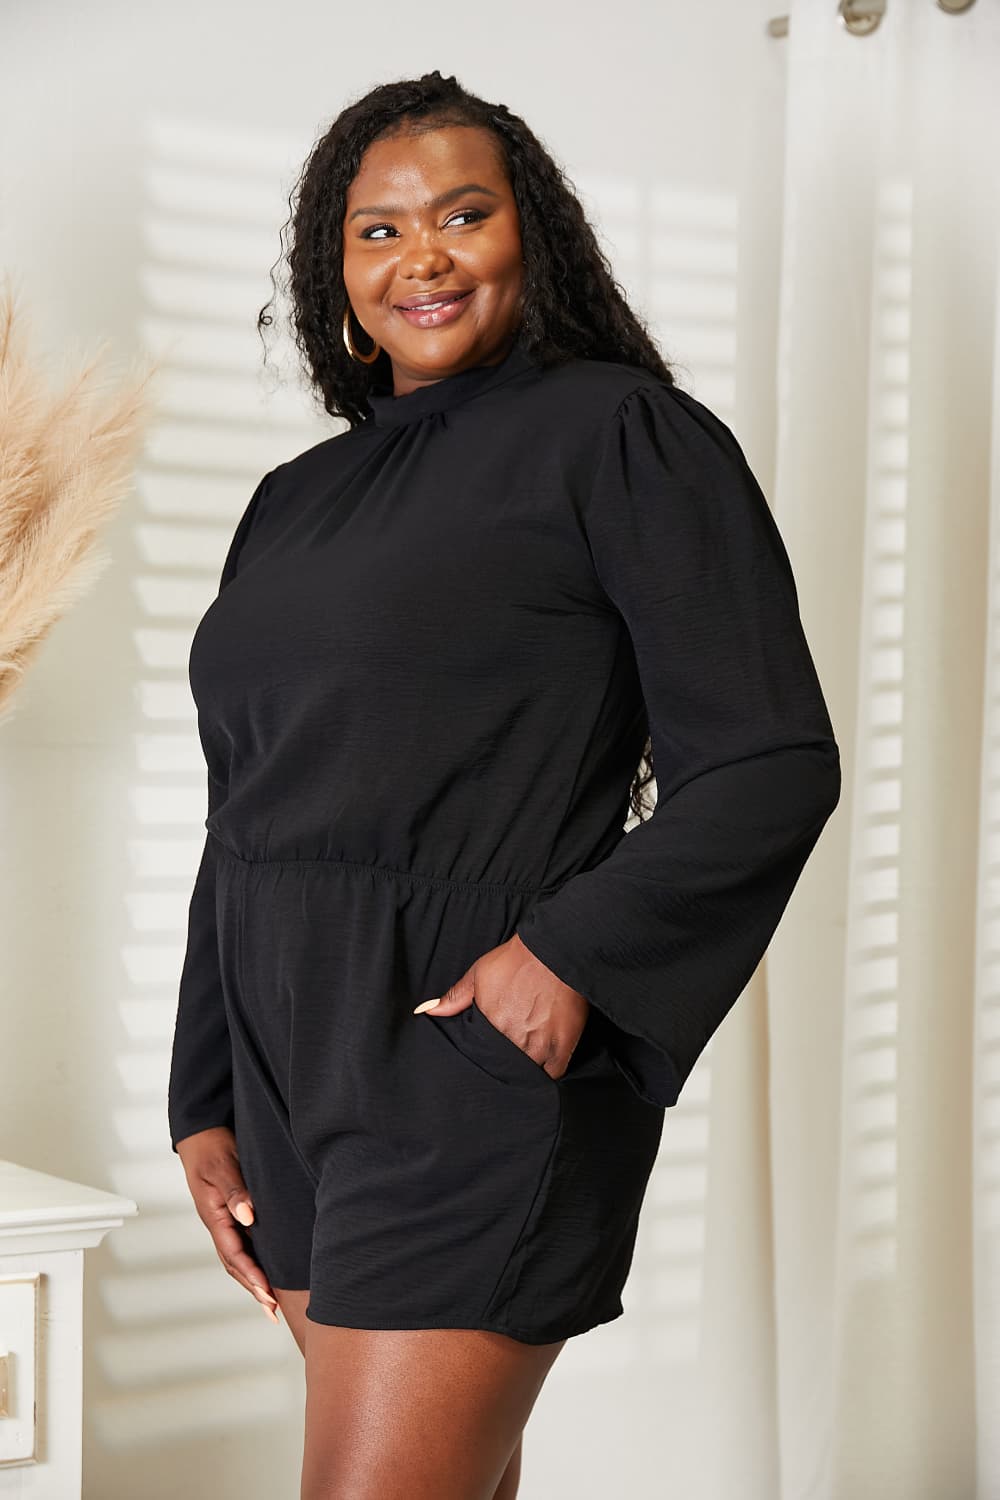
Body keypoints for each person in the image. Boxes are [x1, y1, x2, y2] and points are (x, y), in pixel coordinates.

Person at [167, 70, 841, 1500]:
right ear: (337, 272)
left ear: (533, 235)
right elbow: (248, 814)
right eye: (380, 230)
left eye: (463, 215)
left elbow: (769, 759)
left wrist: (566, 958)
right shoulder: (292, 502)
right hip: (286, 1068)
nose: (424, 256)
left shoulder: (622, 436)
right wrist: (202, 1091)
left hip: (458, 1053)